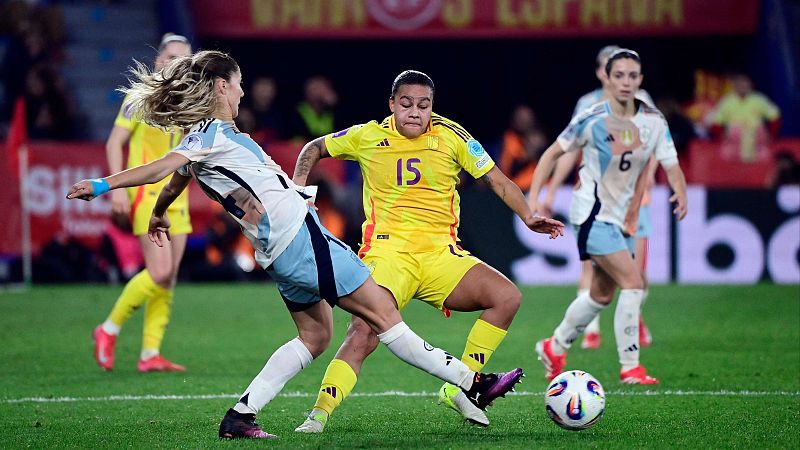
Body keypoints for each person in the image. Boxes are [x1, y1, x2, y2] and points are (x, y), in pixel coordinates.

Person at [66, 50, 525, 439]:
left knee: (316, 335)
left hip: (278, 253)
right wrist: (104, 185)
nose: (244, 92)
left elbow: (177, 175)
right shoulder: (210, 135)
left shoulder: (205, 139)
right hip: (301, 240)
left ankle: (241, 415)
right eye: (240, 84)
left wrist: (163, 210)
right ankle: (473, 383)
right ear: (222, 87)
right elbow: (163, 165)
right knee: (386, 319)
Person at [290, 70, 564, 433]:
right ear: (392, 104)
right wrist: (298, 188)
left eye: (424, 105)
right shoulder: (367, 135)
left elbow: (496, 178)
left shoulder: (452, 136)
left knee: (507, 296)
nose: (415, 112)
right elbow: (314, 147)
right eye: (406, 104)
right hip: (388, 255)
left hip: (441, 255)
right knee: (363, 331)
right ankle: (319, 414)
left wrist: (527, 215)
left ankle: (461, 387)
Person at [528, 49, 688, 385]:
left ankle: (554, 345)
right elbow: (551, 154)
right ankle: (630, 366)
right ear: (607, 78)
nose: (626, 82)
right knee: (633, 282)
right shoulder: (592, 117)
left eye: (632, 76)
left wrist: (680, 191)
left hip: (620, 218)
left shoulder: (654, 121)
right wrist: (535, 198)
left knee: (602, 295)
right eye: (619, 76)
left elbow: (670, 162)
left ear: (640, 80)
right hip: (590, 214)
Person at [541, 44, 656, 351]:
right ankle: (592, 332)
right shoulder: (588, 105)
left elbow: (653, 145)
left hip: (634, 200)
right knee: (597, 270)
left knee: (636, 271)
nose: (622, 80)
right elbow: (569, 147)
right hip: (597, 204)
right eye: (614, 70)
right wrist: (551, 188)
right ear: (601, 73)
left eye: (629, 73)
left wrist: (648, 180)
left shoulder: (642, 103)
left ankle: (633, 321)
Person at [91, 33, 193, 373]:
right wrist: (117, 190)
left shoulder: (190, 101)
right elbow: (113, 142)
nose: (175, 62)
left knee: (169, 278)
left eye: (183, 58)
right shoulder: (140, 97)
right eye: (170, 56)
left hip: (176, 195)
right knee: (159, 271)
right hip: (146, 194)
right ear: (158, 61)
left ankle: (150, 353)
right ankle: (108, 328)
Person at [710, 71, 781, 163]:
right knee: (725, 155)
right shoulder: (727, 102)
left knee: (765, 157)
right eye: (739, 83)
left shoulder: (759, 99)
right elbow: (715, 122)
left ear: (750, 84)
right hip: (735, 141)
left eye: (745, 82)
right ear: (734, 85)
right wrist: (721, 136)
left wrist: (771, 135)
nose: (742, 86)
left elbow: (775, 117)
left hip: (756, 140)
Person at [498, 104, 548, 191]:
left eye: (528, 117)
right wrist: (529, 154)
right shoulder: (510, 139)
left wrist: (541, 151)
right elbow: (509, 171)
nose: (525, 121)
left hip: (544, 186)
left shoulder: (540, 137)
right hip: (519, 189)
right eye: (521, 118)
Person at [286, 75, 338, 141]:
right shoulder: (296, 112)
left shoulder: (332, 111)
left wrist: (336, 105)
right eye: (317, 88)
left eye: (326, 88)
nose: (323, 91)